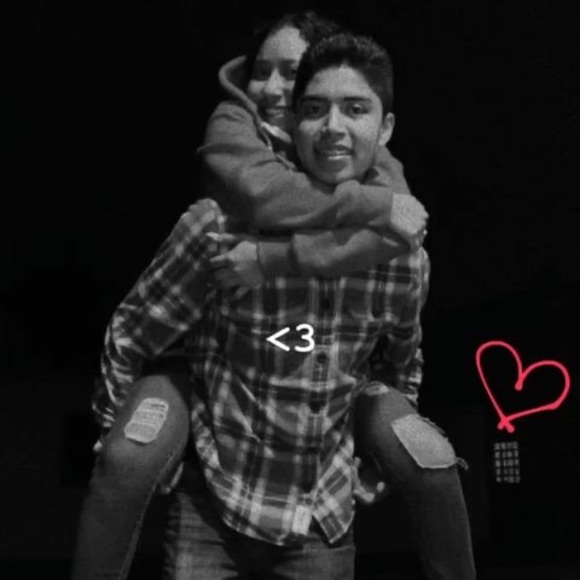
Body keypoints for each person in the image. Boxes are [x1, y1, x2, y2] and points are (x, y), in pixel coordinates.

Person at [98, 32, 473, 579]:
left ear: (386, 128)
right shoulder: (216, 229)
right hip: (214, 509)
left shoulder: (403, 261)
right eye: (314, 109)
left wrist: (380, 465)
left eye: (356, 109)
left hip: (320, 517)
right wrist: (119, 442)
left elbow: (401, 365)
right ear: (292, 122)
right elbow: (132, 333)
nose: (333, 127)